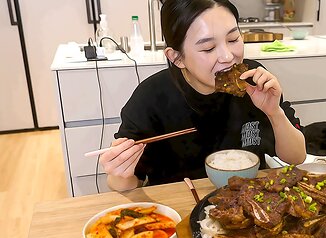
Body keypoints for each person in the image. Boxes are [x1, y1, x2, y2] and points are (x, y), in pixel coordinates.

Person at [99, 0, 306, 191]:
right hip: (180, 209)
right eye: (208, 48)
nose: (227, 56)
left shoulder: (253, 81)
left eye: (233, 39)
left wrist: (274, 112)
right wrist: (120, 171)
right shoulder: (151, 98)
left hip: (249, 203)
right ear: (177, 58)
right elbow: (125, 184)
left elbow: (296, 157)